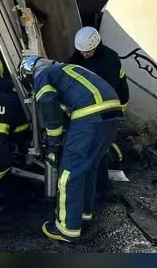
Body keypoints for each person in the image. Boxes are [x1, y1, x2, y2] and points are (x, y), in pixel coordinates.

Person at [18, 55, 122, 243]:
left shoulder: (43, 75)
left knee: (69, 174)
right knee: (88, 169)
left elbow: (48, 104)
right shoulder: (66, 69)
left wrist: (53, 141)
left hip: (91, 116)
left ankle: (67, 229)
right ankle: (83, 215)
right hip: (112, 115)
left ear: (28, 74)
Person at [69, 26, 130, 194]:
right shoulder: (81, 53)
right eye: (82, 51)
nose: (85, 54)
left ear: (96, 46)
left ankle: (108, 160)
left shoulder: (109, 60)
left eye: (88, 51)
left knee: (103, 135)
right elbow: (70, 68)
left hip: (115, 100)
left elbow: (108, 91)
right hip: (95, 98)